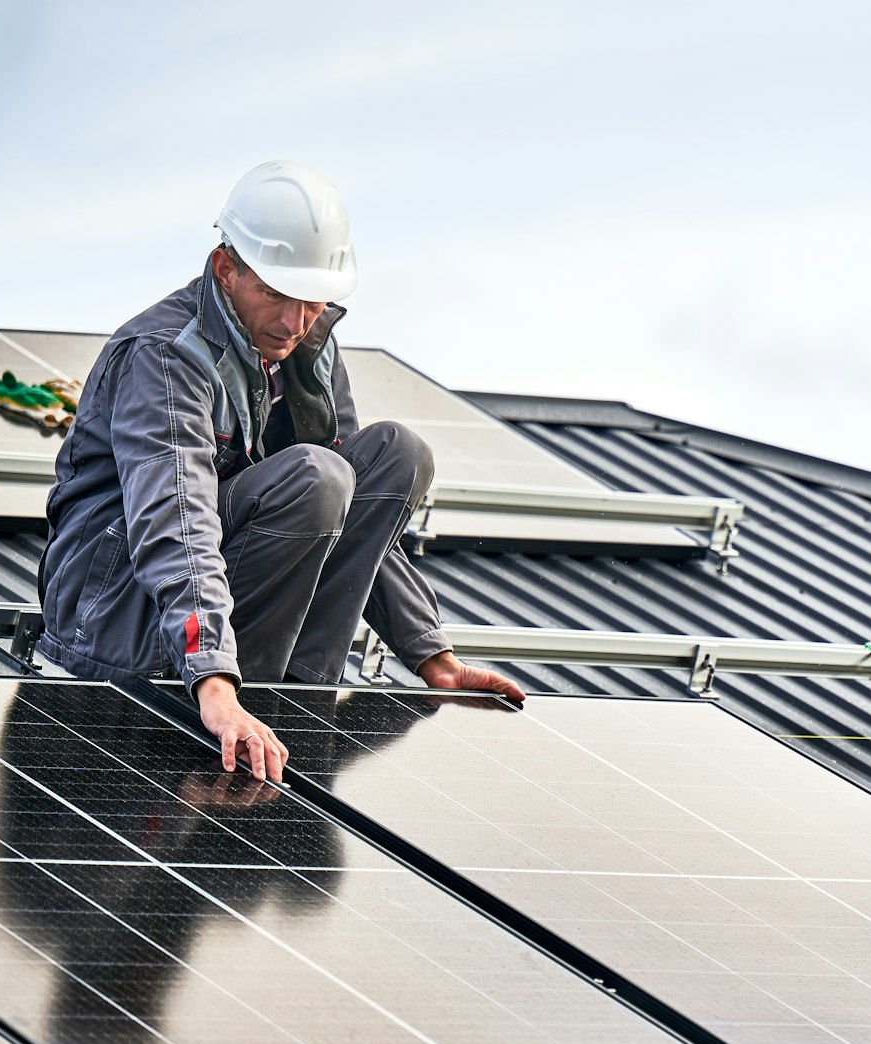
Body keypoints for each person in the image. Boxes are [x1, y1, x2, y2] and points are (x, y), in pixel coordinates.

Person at [38, 161, 523, 782]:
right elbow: (175, 519)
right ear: (226, 269)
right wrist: (211, 677)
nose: (294, 321)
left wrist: (430, 654)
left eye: (312, 298)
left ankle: (293, 697)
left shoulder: (304, 344)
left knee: (396, 455)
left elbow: (356, 513)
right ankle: (241, 693)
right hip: (116, 612)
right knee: (316, 478)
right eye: (275, 292)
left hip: (219, 615)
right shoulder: (165, 357)